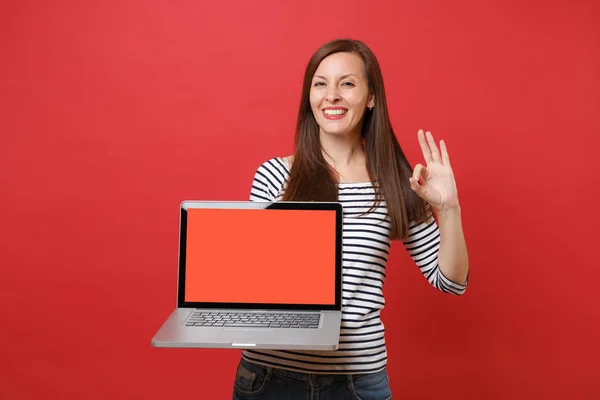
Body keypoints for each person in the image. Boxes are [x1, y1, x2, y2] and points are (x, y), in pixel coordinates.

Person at [232, 38, 470, 400]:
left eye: (347, 83)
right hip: (269, 377)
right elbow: (251, 282)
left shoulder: (394, 181)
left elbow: (451, 282)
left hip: (357, 383)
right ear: (309, 97)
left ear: (371, 97)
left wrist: (449, 208)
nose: (332, 96)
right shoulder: (274, 176)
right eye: (320, 83)